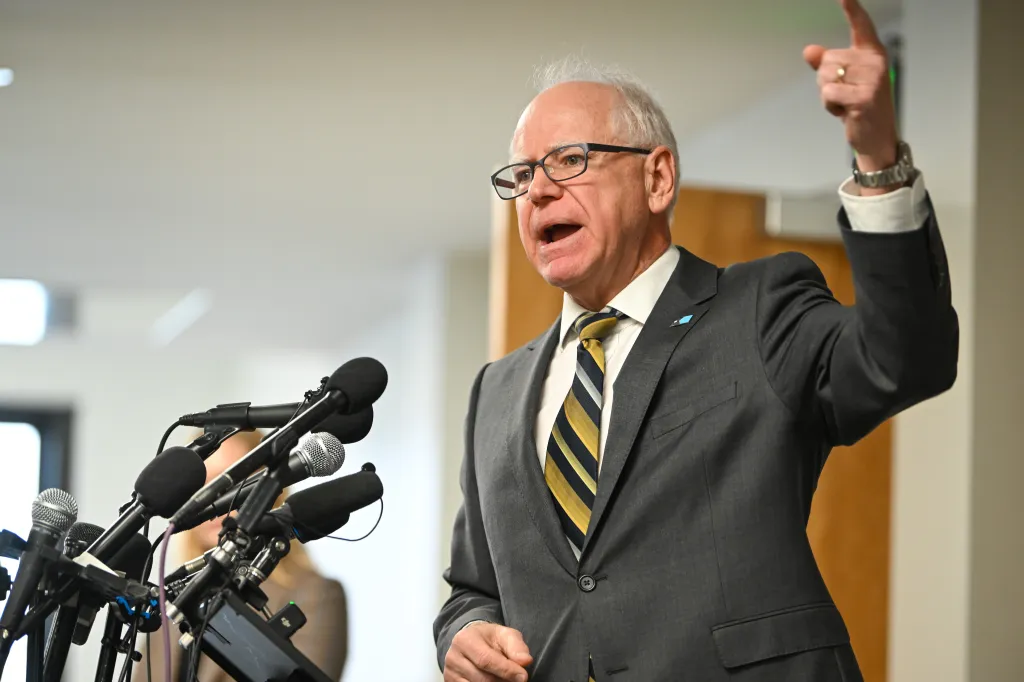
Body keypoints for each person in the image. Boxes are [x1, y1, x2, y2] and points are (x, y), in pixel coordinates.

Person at [433, 2, 958, 681]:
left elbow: (905, 361)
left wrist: (878, 161)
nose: (536, 192)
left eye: (569, 160)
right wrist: (467, 631)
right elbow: (473, 588)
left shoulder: (760, 310)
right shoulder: (496, 391)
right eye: (522, 175)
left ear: (657, 178)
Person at [136, 430, 349, 682]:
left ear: (271, 491)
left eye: (228, 483)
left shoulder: (317, 594)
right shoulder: (175, 599)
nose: (212, 499)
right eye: (201, 487)